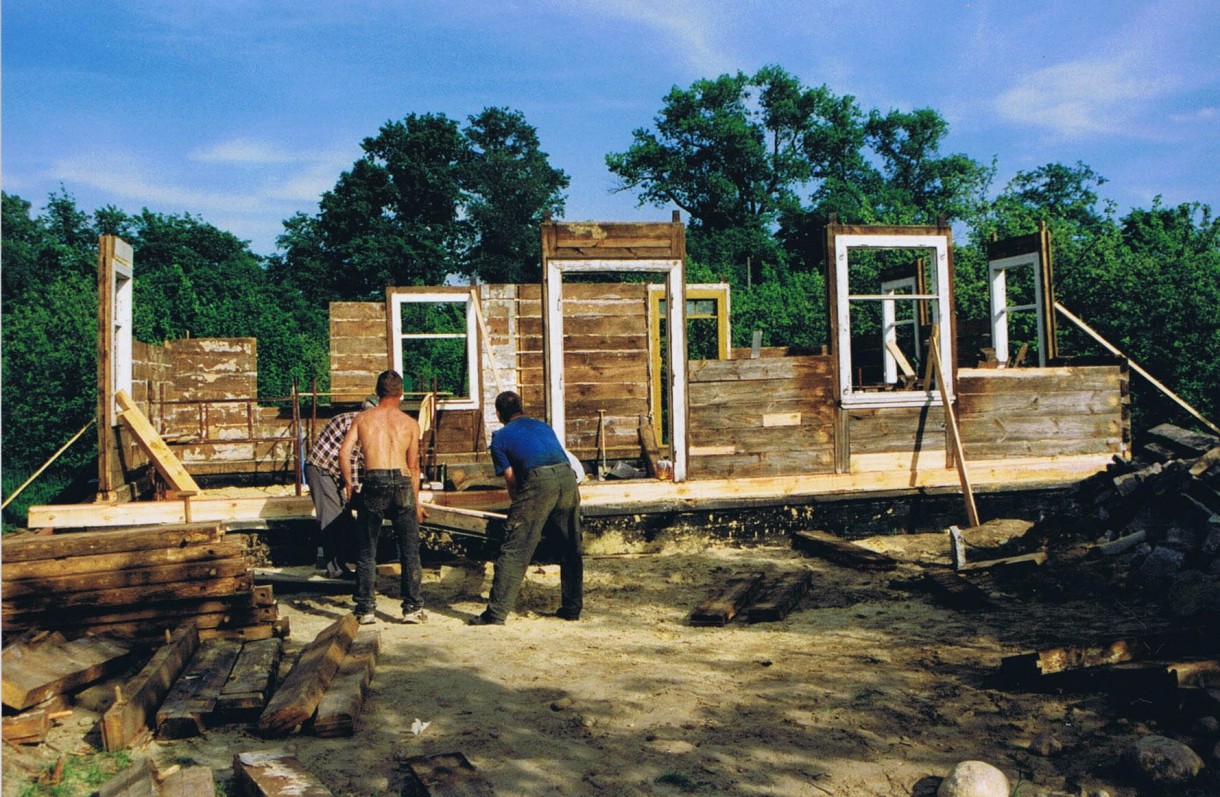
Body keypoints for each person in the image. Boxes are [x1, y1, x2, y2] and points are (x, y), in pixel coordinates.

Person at [469, 390, 582, 625]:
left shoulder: (500, 438)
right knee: (570, 546)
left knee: (515, 549)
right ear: (522, 408)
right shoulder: (543, 426)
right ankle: (572, 608)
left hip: (540, 481)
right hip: (567, 478)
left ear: (499, 415)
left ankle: (496, 614)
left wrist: (518, 512)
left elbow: (511, 479)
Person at [339, 370, 427, 625]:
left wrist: (349, 484)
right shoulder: (410, 424)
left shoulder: (363, 418)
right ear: (401, 394)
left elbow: (344, 453)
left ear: (377, 393)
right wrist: (417, 503)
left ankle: (366, 609)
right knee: (410, 550)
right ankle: (412, 609)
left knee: (367, 549)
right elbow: (414, 467)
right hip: (401, 481)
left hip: (374, 480)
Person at [303, 395, 377, 579]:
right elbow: (349, 458)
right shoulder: (355, 423)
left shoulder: (363, 423)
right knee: (332, 518)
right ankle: (335, 569)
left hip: (332, 473)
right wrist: (353, 490)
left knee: (342, 516)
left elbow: (364, 460)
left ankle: (343, 562)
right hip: (321, 469)